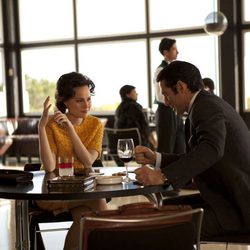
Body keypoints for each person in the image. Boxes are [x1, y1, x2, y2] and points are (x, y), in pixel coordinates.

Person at [134, 61, 250, 239]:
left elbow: (211, 149)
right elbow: (196, 156)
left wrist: (162, 175)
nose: (165, 101)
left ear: (180, 87)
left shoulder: (205, 107)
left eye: (166, 94)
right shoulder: (205, 103)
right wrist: (156, 158)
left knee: (159, 227)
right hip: (226, 200)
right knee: (162, 209)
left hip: (237, 210)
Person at [37, 72, 107, 250]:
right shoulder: (52, 125)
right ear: (65, 101)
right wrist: (41, 128)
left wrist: (71, 129)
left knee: (85, 218)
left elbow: (88, 161)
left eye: (88, 99)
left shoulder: (95, 124)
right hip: (55, 191)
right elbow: (50, 167)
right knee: (99, 204)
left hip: (82, 190)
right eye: (79, 100)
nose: (86, 105)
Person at [153, 37, 185, 154]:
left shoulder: (173, 69)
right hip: (166, 112)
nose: (177, 51)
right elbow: (160, 96)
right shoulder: (160, 70)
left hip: (176, 112)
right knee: (166, 150)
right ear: (165, 52)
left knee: (181, 148)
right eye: (174, 49)